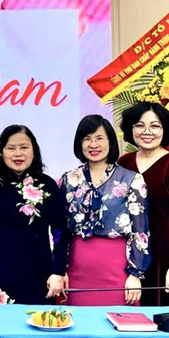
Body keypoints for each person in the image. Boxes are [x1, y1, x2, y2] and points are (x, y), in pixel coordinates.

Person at [59, 114, 151, 306]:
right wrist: (59, 269)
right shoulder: (68, 180)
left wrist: (135, 274)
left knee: (119, 320)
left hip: (117, 269)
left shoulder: (132, 180)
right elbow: (60, 229)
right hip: (77, 268)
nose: (93, 145)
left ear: (110, 141)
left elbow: (140, 231)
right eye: (87, 139)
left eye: (99, 138)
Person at [0, 125, 68, 305]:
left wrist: (58, 272)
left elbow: (60, 231)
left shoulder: (47, 185)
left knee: (38, 321)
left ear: (34, 151)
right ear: (1, 152)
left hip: (39, 274)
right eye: (11, 148)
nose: (18, 154)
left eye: (24, 147)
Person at [118, 102, 169, 295]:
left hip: (166, 257)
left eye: (154, 126)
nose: (147, 132)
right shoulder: (124, 162)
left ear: (164, 130)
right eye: (140, 125)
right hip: (129, 256)